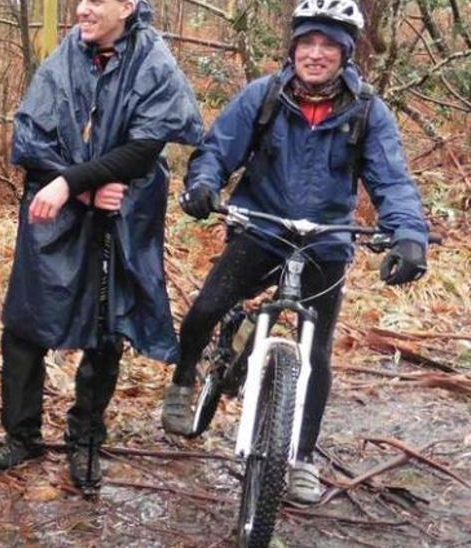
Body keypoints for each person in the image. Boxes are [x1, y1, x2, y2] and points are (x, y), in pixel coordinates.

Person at [161, 0, 429, 504]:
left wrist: (409, 234)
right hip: (262, 228)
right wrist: (203, 184)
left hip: (326, 241)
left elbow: (393, 180)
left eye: (329, 45)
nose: (316, 53)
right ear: (294, 47)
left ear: (346, 54)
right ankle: (182, 379)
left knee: (316, 353)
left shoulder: (368, 111)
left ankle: (301, 457)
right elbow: (219, 150)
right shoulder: (264, 96)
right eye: (308, 42)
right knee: (205, 310)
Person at [0, 0, 202, 494]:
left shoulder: (152, 60)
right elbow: (29, 140)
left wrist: (76, 183)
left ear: (126, 7)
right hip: (57, 208)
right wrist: (77, 188)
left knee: (107, 325)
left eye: (95, 1)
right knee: (25, 320)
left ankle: (86, 436)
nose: (82, 9)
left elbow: (146, 146)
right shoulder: (64, 58)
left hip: (123, 210)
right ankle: (21, 435)